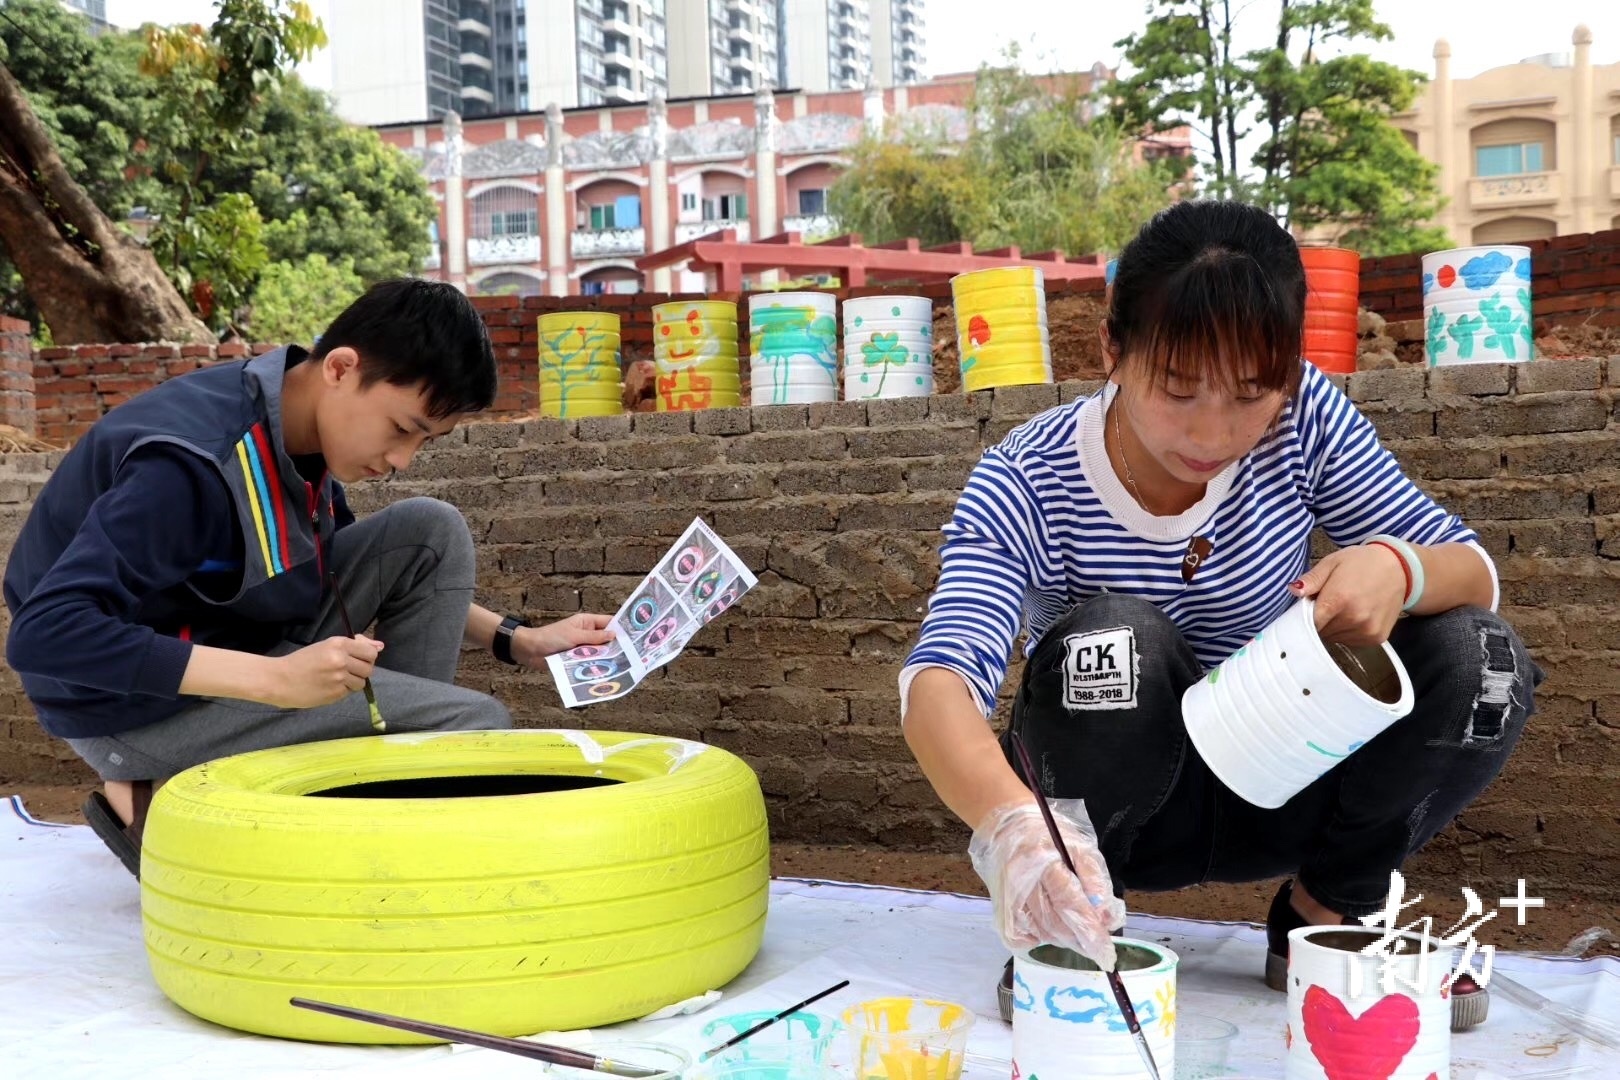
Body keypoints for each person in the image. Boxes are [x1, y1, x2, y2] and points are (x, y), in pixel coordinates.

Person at [900, 201, 1538, 1029]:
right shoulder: (1028, 480)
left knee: (1481, 659)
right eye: (1177, 389)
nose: (1213, 432)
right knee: (1117, 643)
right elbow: (939, 678)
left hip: (1289, 772)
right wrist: (1017, 831)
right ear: (1113, 351)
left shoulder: (1304, 423)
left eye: (1249, 394)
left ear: (1289, 375)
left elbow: (1475, 572)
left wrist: (1399, 568)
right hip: (1119, 814)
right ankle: (1077, 933)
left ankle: (1328, 919)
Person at [4, 280, 614, 878]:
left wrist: (518, 639)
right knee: (471, 726)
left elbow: (332, 564)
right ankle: (195, 807)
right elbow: (45, 635)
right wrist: (276, 679)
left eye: (426, 441)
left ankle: (382, 801)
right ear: (342, 369)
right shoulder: (191, 464)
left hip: (237, 635)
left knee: (431, 531)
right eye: (402, 430)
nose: (403, 460)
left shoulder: (299, 427)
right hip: (132, 706)